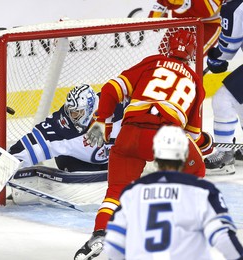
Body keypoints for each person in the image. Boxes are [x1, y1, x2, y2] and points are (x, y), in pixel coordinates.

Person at [74, 29, 214, 260]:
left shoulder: (151, 62)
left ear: (168, 47)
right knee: (195, 173)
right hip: (165, 136)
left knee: (116, 192)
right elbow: (193, 137)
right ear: (191, 53)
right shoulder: (196, 82)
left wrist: (102, 121)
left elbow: (110, 89)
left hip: (129, 134)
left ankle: (99, 236)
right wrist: (207, 144)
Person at [104, 125, 243, 260]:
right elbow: (223, 238)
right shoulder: (202, 191)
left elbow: (113, 245)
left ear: (156, 156)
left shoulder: (132, 192)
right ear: (185, 155)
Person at [8, 84, 124, 173]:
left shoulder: (118, 107)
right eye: (71, 112)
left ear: (89, 109)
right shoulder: (63, 124)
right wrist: (10, 161)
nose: (72, 117)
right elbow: (37, 141)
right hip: (77, 163)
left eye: (77, 113)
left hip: (112, 160)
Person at [204, 0, 243, 175]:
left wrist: (214, 57)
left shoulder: (234, 7)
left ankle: (224, 152)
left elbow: (228, 49)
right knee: (239, 98)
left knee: (223, 99)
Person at [147, 0, 223, 56]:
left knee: (188, 57)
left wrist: (183, 3)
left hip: (207, 25)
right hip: (182, 21)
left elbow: (208, 9)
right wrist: (161, 6)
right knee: (164, 55)